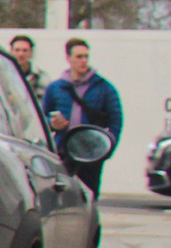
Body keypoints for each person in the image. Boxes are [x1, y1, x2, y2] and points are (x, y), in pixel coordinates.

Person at [42, 37, 123, 193]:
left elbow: (116, 122)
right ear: (68, 58)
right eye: (79, 56)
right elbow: (41, 118)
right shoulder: (55, 88)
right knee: (61, 194)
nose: (84, 61)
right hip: (63, 150)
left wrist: (106, 149)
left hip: (91, 150)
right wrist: (52, 123)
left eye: (86, 56)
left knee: (89, 194)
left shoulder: (104, 88)